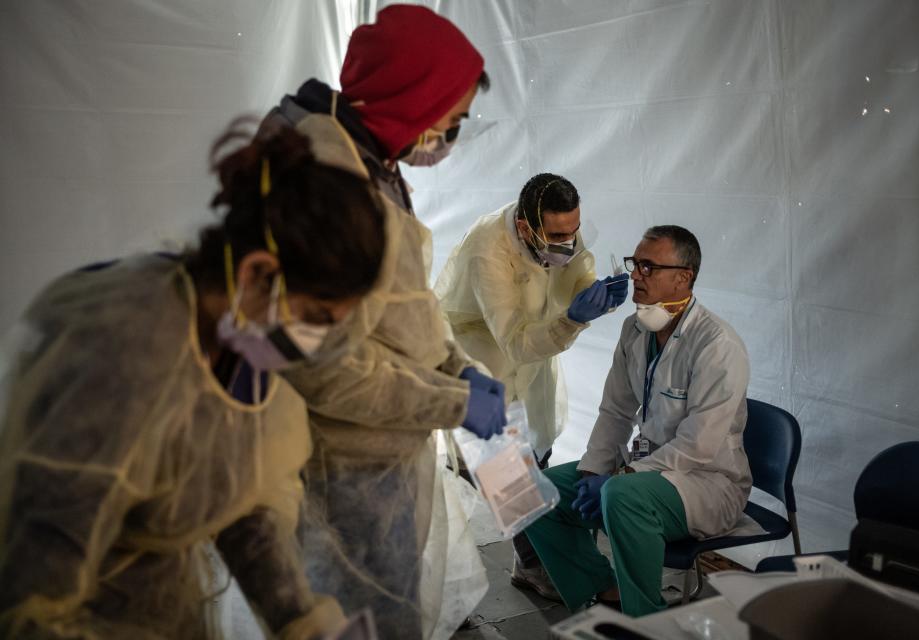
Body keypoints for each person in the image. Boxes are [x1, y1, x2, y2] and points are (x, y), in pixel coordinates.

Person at [0, 118, 387, 639]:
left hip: (165, 605)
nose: (314, 344)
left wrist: (297, 616)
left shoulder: (241, 335)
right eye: (316, 317)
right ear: (257, 273)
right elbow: (33, 595)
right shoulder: (120, 357)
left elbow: (236, 496)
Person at [258, 6, 504, 639]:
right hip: (344, 465)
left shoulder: (373, 163)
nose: (449, 138)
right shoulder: (324, 189)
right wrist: (453, 401)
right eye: (449, 121)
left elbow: (401, 303)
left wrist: (459, 367)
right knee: (364, 622)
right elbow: (325, 368)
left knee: (388, 609)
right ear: (411, 98)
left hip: (382, 451)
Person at [521, 225, 752, 617]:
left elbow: (699, 445)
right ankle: (601, 591)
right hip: (648, 471)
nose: (635, 275)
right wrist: (595, 470)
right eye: (635, 264)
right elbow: (615, 410)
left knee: (621, 495)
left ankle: (645, 619)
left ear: (684, 277)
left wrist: (621, 477)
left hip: (709, 482)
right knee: (534, 491)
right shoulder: (636, 328)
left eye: (648, 267)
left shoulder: (717, 345)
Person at [434, 173, 630, 596]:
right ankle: (456, 583)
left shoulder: (558, 234)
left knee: (534, 453)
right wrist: (572, 319)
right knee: (496, 469)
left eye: (573, 231)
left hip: (533, 351)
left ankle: (531, 561)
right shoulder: (488, 249)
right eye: (557, 234)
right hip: (478, 353)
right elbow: (514, 340)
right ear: (525, 227)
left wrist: (595, 292)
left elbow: (577, 270)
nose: (568, 242)